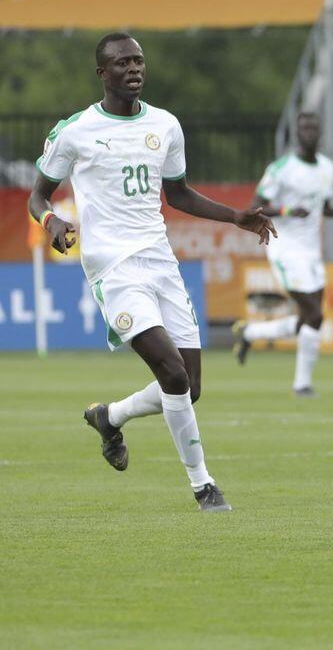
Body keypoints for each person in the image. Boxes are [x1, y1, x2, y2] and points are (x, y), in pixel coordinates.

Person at [30, 33, 275, 512]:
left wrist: (236, 217)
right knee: (171, 371)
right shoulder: (76, 131)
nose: (134, 69)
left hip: (161, 262)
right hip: (114, 268)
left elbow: (177, 194)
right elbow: (38, 194)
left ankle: (110, 417)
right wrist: (51, 220)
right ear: (102, 73)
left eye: (139, 61)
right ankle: (204, 487)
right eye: (123, 62)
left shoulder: (165, 125)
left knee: (189, 387)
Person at [231, 113, 333, 397]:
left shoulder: (328, 169)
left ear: (319, 132)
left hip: (312, 251)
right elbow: (255, 206)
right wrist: (287, 211)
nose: (309, 132)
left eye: (313, 128)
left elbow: (322, 205)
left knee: (310, 319)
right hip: (285, 248)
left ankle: (249, 333)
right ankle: (302, 385)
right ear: (297, 133)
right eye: (304, 128)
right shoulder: (282, 169)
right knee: (314, 314)